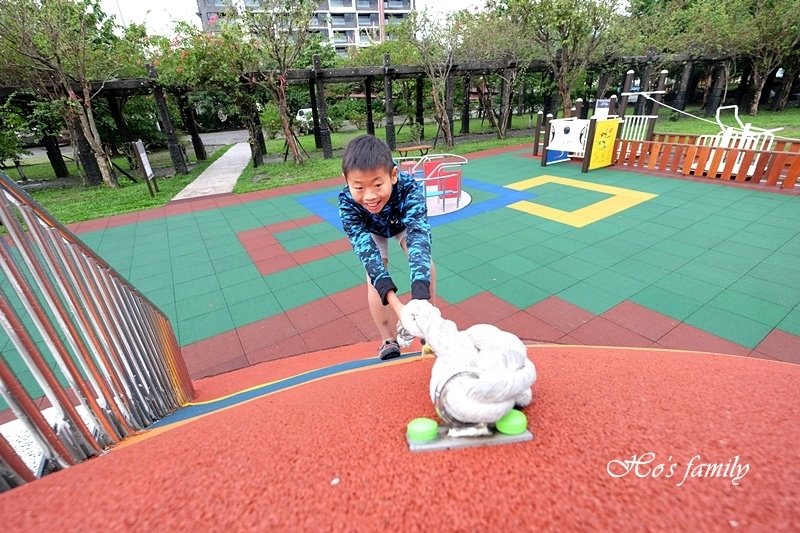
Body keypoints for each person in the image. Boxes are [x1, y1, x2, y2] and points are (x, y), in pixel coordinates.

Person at [338, 134, 436, 360]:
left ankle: (429, 321)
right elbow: (370, 259)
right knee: (373, 279)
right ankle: (388, 339)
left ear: (393, 175)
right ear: (346, 180)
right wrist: (400, 308)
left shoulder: (409, 190)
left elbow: (419, 237)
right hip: (372, 229)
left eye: (377, 185)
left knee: (425, 262)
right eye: (359, 187)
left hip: (401, 223)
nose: (370, 195)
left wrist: (418, 301)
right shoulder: (347, 204)